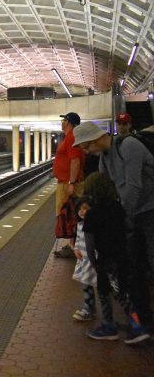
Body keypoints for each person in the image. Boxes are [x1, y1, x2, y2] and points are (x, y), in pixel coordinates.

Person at [72, 121, 154, 333]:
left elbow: (134, 186)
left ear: (98, 138)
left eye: (87, 145)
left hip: (149, 211)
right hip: (133, 216)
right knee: (134, 268)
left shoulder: (129, 147)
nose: (86, 151)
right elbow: (106, 191)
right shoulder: (105, 159)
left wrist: (120, 218)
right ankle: (144, 319)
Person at [77, 175, 150, 344]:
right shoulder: (117, 207)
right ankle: (136, 324)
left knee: (105, 294)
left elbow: (90, 243)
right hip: (122, 257)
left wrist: (94, 262)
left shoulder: (92, 214)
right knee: (123, 293)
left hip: (105, 261)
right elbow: (128, 227)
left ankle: (111, 327)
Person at [52, 112, 85, 257]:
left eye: (63, 119)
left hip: (69, 183)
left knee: (71, 214)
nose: (61, 122)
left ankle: (75, 247)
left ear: (69, 122)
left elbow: (75, 160)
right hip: (66, 182)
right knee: (70, 215)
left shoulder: (72, 136)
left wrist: (71, 183)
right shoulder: (70, 136)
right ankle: (73, 245)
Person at [71, 195, 96, 322]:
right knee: (85, 283)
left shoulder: (94, 225)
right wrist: (76, 249)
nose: (82, 211)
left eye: (86, 208)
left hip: (92, 260)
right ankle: (89, 307)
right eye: (80, 209)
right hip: (83, 260)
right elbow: (78, 239)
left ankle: (90, 309)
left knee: (96, 285)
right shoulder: (80, 224)